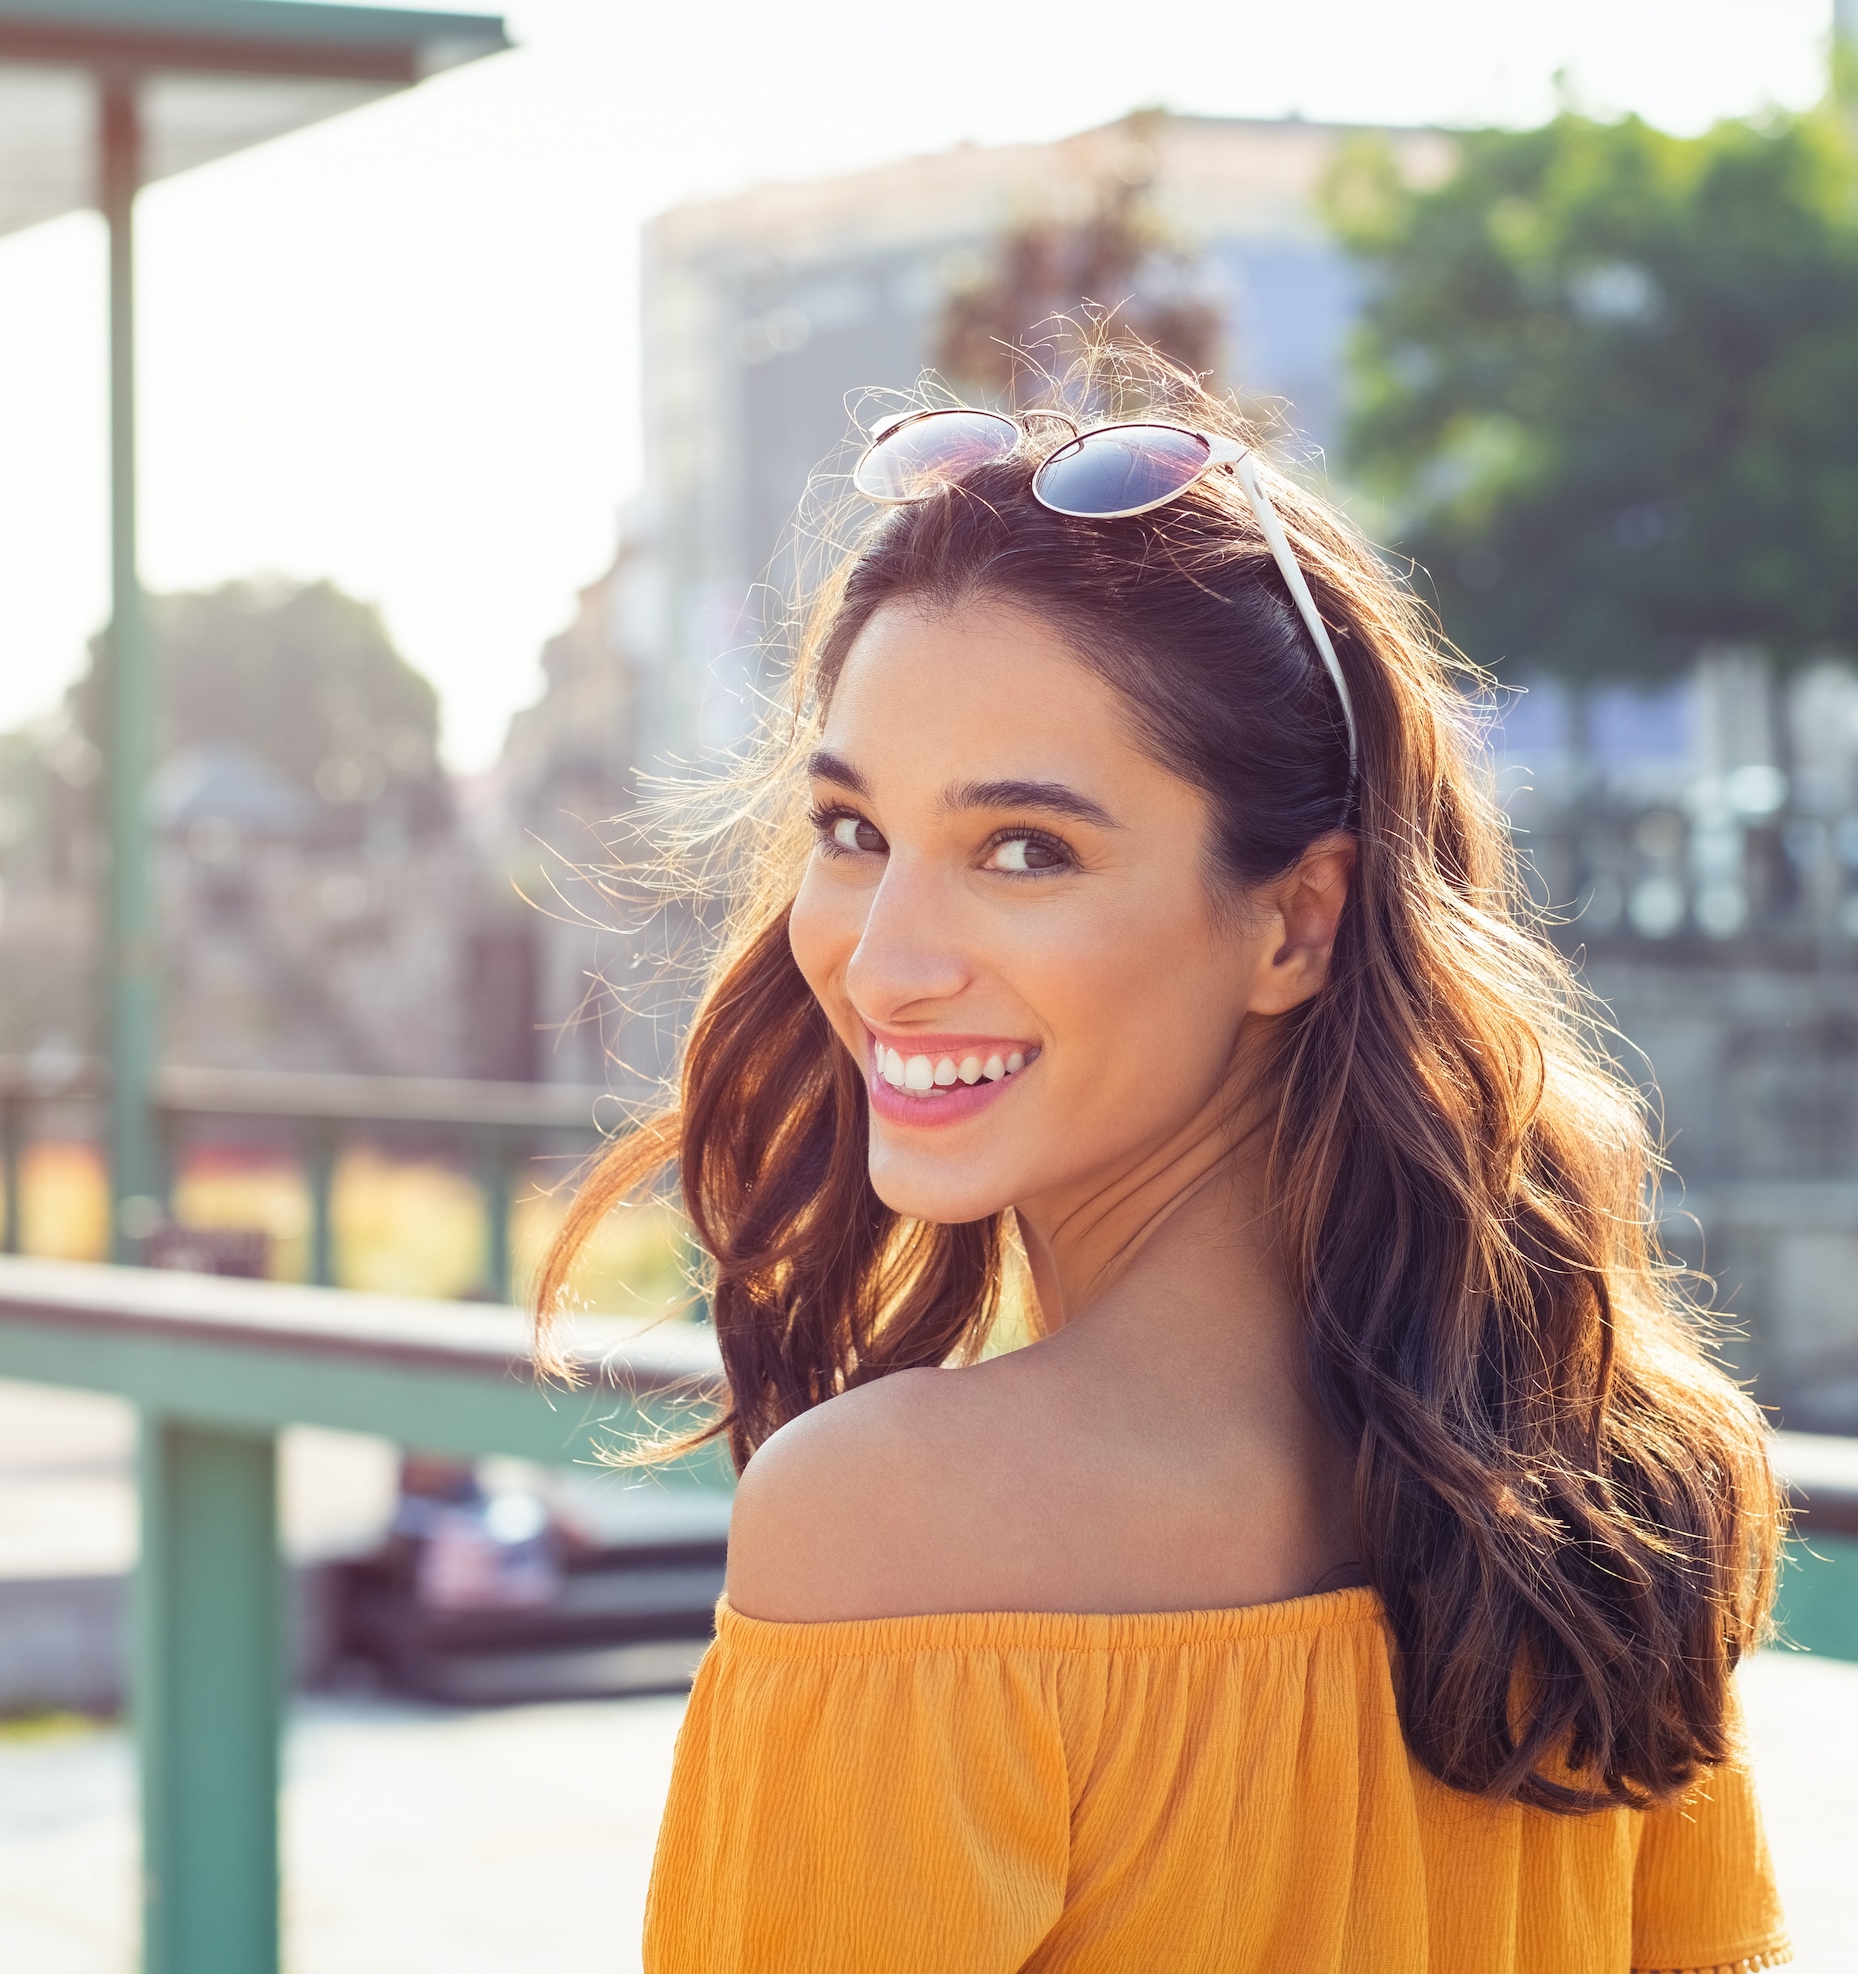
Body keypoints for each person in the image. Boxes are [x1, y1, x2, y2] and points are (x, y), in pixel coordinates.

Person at [536, 355, 1785, 1973]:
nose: (884, 957)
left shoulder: (893, 1523)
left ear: (1296, 917)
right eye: (855, 828)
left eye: (1024, 848)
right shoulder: (1621, 1488)